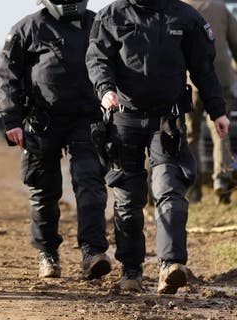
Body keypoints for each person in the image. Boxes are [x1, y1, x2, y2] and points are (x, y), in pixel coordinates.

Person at [86, 0, 230, 293]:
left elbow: (204, 67)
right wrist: (106, 89)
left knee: (170, 191)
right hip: (123, 119)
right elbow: (98, 59)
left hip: (168, 121)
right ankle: (131, 270)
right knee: (128, 198)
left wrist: (217, 111)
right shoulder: (111, 16)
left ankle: (170, 265)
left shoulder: (186, 17)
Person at [0, 0, 111, 280]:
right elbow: (7, 76)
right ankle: (47, 252)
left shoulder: (99, 24)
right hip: (41, 121)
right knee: (43, 189)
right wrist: (11, 119)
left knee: (90, 183)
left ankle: (92, 252)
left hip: (87, 118)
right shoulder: (27, 28)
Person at [183, 0, 237, 204]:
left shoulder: (180, 6)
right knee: (220, 130)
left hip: (190, 79)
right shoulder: (219, 7)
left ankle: (193, 190)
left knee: (190, 134)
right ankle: (221, 181)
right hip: (221, 75)